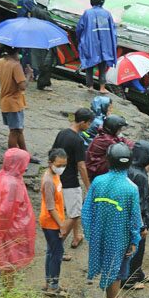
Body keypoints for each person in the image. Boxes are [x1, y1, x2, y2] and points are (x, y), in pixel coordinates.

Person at [82, 143, 142, 298]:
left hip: (99, 234)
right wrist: (134, 240)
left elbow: (87, 210)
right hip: (119, 239)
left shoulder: (98, 181)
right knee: (116, 272)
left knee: (110, 269)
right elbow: (134, 219)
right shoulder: (131, 188)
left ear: (109, 160)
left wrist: (91, 233)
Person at [0, 148, 35, 290]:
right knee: (9, 260)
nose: (26, 166)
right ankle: (8, 291)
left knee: (1, 252)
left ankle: (1, 274)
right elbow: (6, 210)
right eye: (25, 163)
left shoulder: (0, 175)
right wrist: (1, 229)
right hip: (9, 227)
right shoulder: (12, 184)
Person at [52, 108, 94, 252]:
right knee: (75, 213)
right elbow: (81, 166)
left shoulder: (61, 133)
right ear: (82, 122)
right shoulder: (78, 141)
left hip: (58, 178)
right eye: (88, 123)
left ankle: (77, 236)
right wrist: (88, 186)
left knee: (72, 209)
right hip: (70, 182)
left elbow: (53, 154)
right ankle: (57, 246)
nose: (89, 126)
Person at [39, 148, 68, 298]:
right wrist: (62, 226)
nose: (62, 168)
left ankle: (48, 283)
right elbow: (50, 207)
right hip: (51, 222)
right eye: (59, 165)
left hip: (55, 220)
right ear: (50, 163)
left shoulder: (55, 174)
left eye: (64, 165)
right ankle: (53, 287)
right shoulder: (49, 180)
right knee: (57, 254)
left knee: (51, 252)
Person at [125, 140, 149, 290]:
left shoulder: (129, 169)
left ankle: (138, 273)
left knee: (134, 248)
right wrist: (143, 225)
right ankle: (129, 280)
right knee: (136, 248)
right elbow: (140, 203)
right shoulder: (140, 176)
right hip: (138, 220)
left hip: (129, 217)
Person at [76, 0, 116, 94]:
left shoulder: (87, 13)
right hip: (104, 44)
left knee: (89, 64)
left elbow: (80, 28)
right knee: (102, 66)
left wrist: (80, 39)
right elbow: (113, 30)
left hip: (91, 43)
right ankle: (102, 87)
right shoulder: (107, 14)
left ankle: (90, 86)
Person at [0, 45, 34, 153]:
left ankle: (25, 153)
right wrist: (28, 75)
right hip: (14, 103)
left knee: (18, 130)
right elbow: (22, 86)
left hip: (5, 100)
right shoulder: (15, 65)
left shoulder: (1, 61)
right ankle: (12, 158)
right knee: (14, 132)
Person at [85, 115, 131, 181]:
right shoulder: (107, 140)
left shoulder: (104, 134)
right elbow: (121, 147)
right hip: (95, 170)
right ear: (113, 128)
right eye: (119, 129)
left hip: (94, 167)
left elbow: (121, 140)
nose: (120, 130)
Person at [29, 0, 57, 91]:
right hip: (45, 40)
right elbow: (52, 24)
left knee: (41, 61)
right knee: (47, 62)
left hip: (38, 39)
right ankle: (42, 84)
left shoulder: (34, 9)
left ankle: (45, 82)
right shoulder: (44, 13)